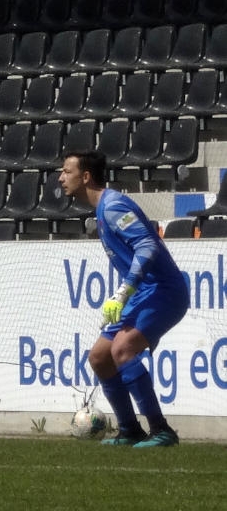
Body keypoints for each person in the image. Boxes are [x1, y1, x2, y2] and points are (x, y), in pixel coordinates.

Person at [58, 150, 188, 447]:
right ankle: (130, 430)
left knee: (122, 349)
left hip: (164, 291)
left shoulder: (113, 206)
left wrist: (123, 292)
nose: (60, 177)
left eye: (66, 171)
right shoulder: (103, 209)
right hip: (145, 292)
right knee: (99, 358)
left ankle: (161, 430)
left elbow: (147, 245)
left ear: (85, 177)